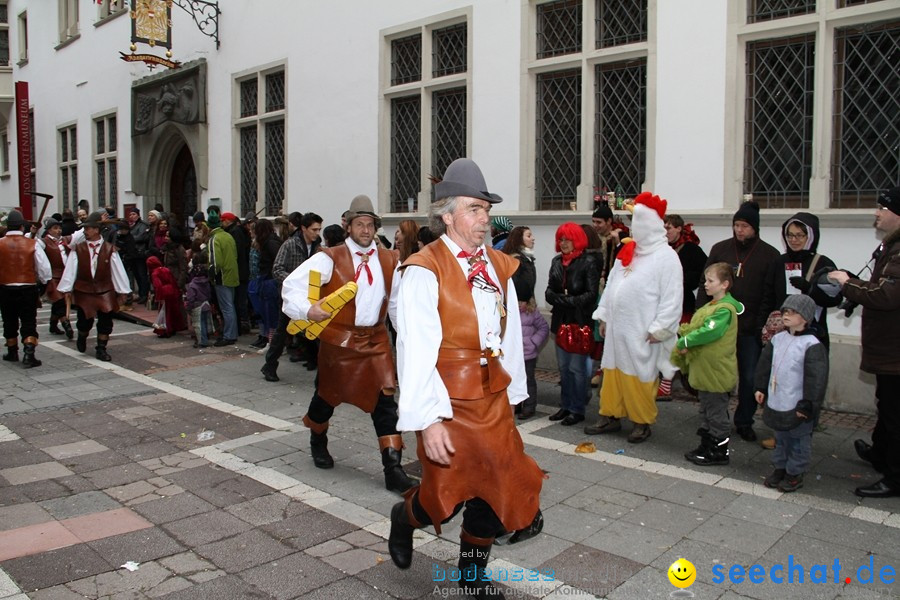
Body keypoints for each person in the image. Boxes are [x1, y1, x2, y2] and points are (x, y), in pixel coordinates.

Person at [389, 158, 543, 598]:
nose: (484, 219)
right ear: (447, 215)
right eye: (475, 209)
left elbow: (509, 333)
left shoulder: (499, 265)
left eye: (487, 210)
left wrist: (514, 393)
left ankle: (471, 577)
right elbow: (415, 348)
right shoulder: (424, 268)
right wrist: (428, 419)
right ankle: (406, 517)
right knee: (446, 496)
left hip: (492, 400)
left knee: (499, 488)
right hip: (447, 402)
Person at [281, 195, 415, 494]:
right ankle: (318, 439)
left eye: (369, 224)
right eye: (359, 224)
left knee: (385, 404)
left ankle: (392, 469)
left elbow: (395, 304)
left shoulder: (390, 260)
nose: (365, 230)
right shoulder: (328, 257)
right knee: (326, 398)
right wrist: (308, 310)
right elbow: (292, 286)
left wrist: (407, 336)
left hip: (376, 342)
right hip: (338, 344)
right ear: (349, 226)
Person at [584, 193, 683, 443]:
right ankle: (610, 415)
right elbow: (612, 286)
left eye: (638, 222)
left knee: (640, 376)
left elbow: (672, 299)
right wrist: (604, 316)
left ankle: (641, 421)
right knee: (613, 373)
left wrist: (660, 328)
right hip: (618, 330)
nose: (634, 227)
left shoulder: (666, 258)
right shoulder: (629, 251)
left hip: (642, 330)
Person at [827, 187, 900, 498]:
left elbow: (886, 294)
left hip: (896, 349)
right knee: (887, 406)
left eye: (883, 208)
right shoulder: (890, 247)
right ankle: (881, 454)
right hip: (889, 348)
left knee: (897, 415)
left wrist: (847, 283)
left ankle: (895, 477)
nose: (877, 213)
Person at [696, 200, 779, 442]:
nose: (739, 230)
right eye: (736, 225)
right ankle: (711, 420)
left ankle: (744, 420)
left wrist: (761, 324)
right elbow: (705, 283)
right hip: (719, 327)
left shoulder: (769, 255)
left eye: (744, 226)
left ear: (755, 228)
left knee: (749, 377)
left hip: (749, 329)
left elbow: (770, 294)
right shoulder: (721, 250)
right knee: (714, 374)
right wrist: (703, 314)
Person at [754, 294, 828, 492]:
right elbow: (765, 365)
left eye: (793, 312)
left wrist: (808, 404)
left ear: (805, 317)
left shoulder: (811, 345)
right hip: (778, 400)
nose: (786, 315)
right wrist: (760, 387)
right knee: (780, 438)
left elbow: (816, 379)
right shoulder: (778, 339)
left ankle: (795, 472)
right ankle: (780, 467)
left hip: (798, 404)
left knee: (798, 440)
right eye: (785, 311)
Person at [673, 263, 744, 465]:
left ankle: (719, 451)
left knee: (716, 412)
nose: (705, 284)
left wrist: (685, 341)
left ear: (724, 284)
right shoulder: (712, 305)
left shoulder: (724, 310)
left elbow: (709, 331)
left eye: (710, 281)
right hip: (706, 370)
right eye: (706, 280)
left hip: (716, 371)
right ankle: (706, 445)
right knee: (706, 410)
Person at [545, 223, 600, 426]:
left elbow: (591, 295)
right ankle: (566, 405)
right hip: (560, 322)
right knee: (564, 368)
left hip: (579, 323)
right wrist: (565, 299)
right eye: (561, 239)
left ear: (577, 240)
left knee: (577, 369)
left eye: (567, 239)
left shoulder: (588, 262)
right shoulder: (556, 262)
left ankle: (577, 409)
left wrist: (566, 300)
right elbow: (549, 292)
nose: (564, 243)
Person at [57, 211, 131, 361]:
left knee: (106, 322)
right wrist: (66, 288)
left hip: (105, 290)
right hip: (84, 290)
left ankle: (101, 348)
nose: (85, 231)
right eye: (84, 228)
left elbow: (117, 271)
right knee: (84, 322)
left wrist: (123, 291)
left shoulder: (110, 249)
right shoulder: (79, 249)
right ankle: (82, 336)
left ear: (96, 229)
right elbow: (71, 269)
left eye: (88, 228)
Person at [260, 213, 322, 381]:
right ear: (303, 228)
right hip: (290, 296)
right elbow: (277, 269)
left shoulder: (318, 246)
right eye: (314, 229)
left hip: (311, 295)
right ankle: (269, 366)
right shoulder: (289, 245)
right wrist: (294, 282)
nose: (317, 233)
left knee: (311, 329)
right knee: (282, 332)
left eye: (319, 229)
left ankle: (313, 360)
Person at [659, 214, 708, 399]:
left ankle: (684, 383)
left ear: (679, 229)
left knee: (679, 345)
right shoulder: (661, 249)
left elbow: (704, 271)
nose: (666, 232)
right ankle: (665, 382)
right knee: (664, 344)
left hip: (682, 304)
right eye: (663, 228)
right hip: (662, 304)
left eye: (669, 228)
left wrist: (682, 281)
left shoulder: (691, 250)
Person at [0, 211, 52, 368]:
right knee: (28, 320)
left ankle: (12, 351)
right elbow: (44, 268)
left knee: (9, 319)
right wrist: (43, 283)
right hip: (27, 288)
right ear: (22, 226)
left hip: (5, 288)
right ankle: (29, 354)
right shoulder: (32, 243)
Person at [207, 207, 240, 346]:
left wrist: (211, 275)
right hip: (232, 274)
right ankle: (231, 333)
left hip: (222, 277)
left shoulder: (214, 239)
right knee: (230, 306)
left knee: (226, 308)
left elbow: (216, 262)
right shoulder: (228, 236)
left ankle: (229, 335)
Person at [248, 219, 282, 349]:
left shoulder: (270, 243)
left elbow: (277, 261)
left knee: (271, 313)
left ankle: (273, 343)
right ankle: (270, 341)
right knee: (267, 313)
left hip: (270, 281)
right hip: (266, 280)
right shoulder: (268, 242)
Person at [42, 217, 74, 339]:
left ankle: (53, 325)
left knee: (57, 302)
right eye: (55, 228)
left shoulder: (64, 240)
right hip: (52, 277)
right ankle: (67, 325)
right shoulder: (44, 242)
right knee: (59, 301)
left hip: (65, 275)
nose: (58, 230)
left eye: (59, 228)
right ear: (49, 230)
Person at [222, 212, 251, 334]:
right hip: (240, 270)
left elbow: (237, 253)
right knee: (238, 300)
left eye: (222, 221)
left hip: (239, 271)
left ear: (227, 221)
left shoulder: (235, 232)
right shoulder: (236, 231)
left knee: (238, 301)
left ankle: (240, 326)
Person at [146, 256, 187, 338]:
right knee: (173, 311)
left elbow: (158, 286)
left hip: (164, 292)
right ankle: (174, 327)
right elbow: (173, 281)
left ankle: (165, 330)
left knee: (165, 313)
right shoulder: (166, 269)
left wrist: (159, 297)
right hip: (172, 290)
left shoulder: (155, 273)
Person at [185, 262, 214, 348]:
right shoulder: (207, 282)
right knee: (205, 322)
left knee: (199, 325)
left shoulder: (192, 285)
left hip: (197, 306)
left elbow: (191, 298)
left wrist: (189, 308)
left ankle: (202, 340)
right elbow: (209, 294)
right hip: (206, 305)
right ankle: (205, 339)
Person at [127, 208, 151, 304]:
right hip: (133, 254)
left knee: (142, 274)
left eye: (133, 214)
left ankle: (144, 294)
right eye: (130, 214)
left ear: (138, 215)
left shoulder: (142, 225)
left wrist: (130, 239)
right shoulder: (132, 226)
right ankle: (141, 293)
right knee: (136, 275)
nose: (131, 216)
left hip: (140, 253)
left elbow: (142, 236)